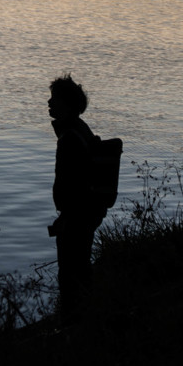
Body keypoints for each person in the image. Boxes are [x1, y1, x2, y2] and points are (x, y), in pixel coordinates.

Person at [47, 74, 106, 322]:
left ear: (67, 104)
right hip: (85, 212)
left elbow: (73, 184)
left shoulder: (71, 138)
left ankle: (74, 323)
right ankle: (82, 318)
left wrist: (67, 217)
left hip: (77, 215)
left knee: (71, 271)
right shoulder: (78, 130)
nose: (49, 103)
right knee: (80, 268)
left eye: (54, 99)